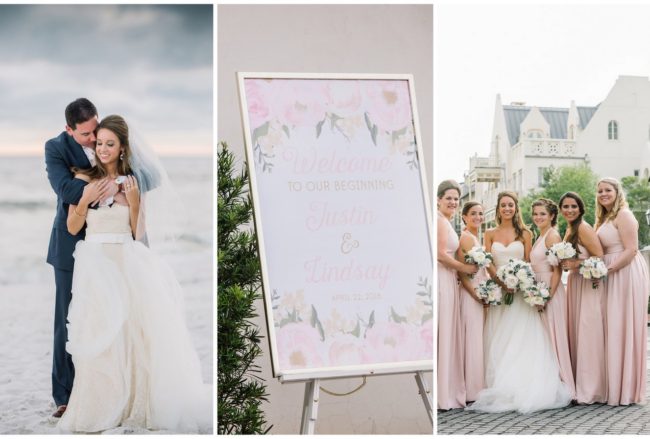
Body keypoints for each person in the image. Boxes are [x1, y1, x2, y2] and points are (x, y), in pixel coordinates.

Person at [57, 115, 211, 432]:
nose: (102, 149)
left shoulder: (132, 183)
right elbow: (73, 228)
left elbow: (139, 232)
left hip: (125, 260)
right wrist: (84, 200)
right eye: (98, 143)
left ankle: (131, 403)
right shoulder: (82, 178)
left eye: (109, 144)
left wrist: (134, 202)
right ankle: (99, 404)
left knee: (130, 333)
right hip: (94, 263)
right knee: (98, 333)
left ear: (123, 148)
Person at [44, 98, 118, 418]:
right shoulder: (55, 148)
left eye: (95, 129)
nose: (93, 138)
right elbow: (66, 192)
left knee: (106, 316)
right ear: (69, 130)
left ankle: (104, 388)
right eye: (85, 134)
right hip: (69, 245)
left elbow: (139, 180)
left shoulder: (109, 140)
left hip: (107, 245)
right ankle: (64, 395)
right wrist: (98, 184)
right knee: (66, 319)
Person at [467, 191, 571, 414]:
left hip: (520, 293)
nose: (507, 208)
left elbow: (528, 261)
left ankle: (522, 381)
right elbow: (488, 262)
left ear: (516, 208)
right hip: (501, 293)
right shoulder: (489, 233)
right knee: (498, 336)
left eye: (511, 205)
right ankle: (498, 382)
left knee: (522, 337)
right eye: (503, 205)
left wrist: (519, 280)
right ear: (498, 208)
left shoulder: (525, 232)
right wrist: (501, 282)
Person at [595, 178, 649, 406]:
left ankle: (626, 389)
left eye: (608, 190)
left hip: (625, 272)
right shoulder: (603, 218)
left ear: (617, 192)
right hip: (609, 272)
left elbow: (632, 249)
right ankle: (613, 384)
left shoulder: (624, 215)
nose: (603, 194)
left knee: (623, 325)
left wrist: (609, 269)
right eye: (600, 191)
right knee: (612, 327)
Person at [558, 191, 607, 404]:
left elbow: (599, 256)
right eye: (566, 207)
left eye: (573, 207)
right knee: (577, 333)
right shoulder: (570, 229)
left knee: (588, 334)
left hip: (588, 285)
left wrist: (575, 265)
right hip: (576, 284)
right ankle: (579, 384)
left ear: (581, 209)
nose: (569, 210)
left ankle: (591, 389)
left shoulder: (584, 228)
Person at [437, 180, 477, 410]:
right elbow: (441, 255)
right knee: (446, 330)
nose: (452, 202)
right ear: (439, 200)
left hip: (449, 279)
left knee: (448, 331)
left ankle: (448, 387)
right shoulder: (441, 222)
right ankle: (445, 392)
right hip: (444, 277)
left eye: (455, 199)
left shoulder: (446, 222)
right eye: (449, 198)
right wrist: (464, 269)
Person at [530, 198, 576, 399]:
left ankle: (564, 383)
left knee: (554, 336)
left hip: (550, 289)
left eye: (542, 214)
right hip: (539, 287)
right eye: (535, 213)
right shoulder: (539, 235)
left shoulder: (552, 236)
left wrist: (547, 295)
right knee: (545, 338)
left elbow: (557, 271)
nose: (538, 217)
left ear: (551, 216)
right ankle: (550, 381)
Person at [456, 201, 487, 403]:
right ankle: (473, 389)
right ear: (464, 217)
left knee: (478, 339)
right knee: (473, 339)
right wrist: (475, 294)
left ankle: (477, 385)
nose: (477, 217)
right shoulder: (466, 238)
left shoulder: (475, 237)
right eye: (473, 213)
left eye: (480, 213)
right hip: (471, 294)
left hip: (481, 291)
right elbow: (462, 273)